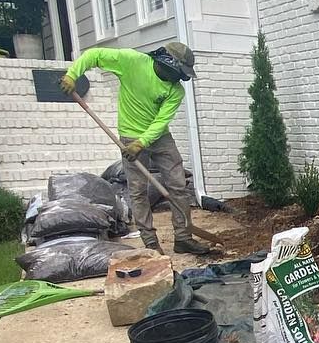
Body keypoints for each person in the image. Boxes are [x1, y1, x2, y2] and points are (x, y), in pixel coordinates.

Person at [60, 41, 214, 255]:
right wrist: (72, 74)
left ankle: (183, 237)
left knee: (178, 184)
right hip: (130, 134)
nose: (181, 78)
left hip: (159, 137)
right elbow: (94, 54)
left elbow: (161, 122)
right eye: (180, 72)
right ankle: (150, 241)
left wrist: (142, 143)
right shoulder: (131, 61)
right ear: (167, 62)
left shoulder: (176, 91)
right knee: (138, 190)